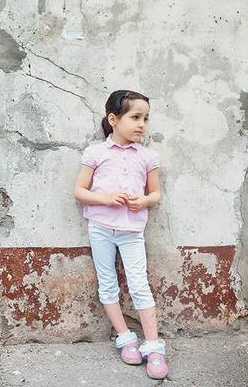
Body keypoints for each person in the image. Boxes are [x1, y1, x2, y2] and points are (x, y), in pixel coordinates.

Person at [74, 90, 167, 380]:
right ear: (113, 119)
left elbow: (156, 194)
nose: (142, 124)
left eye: (145, 118)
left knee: (140, 285)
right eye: (135, 117)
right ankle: (125, 337)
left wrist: (144, 201)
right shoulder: (96, 153)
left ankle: (153, 347)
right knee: (108, 284)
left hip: (131, 232)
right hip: (100, 229)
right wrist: (105, 198)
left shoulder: (148, 156)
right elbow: (79, 191)